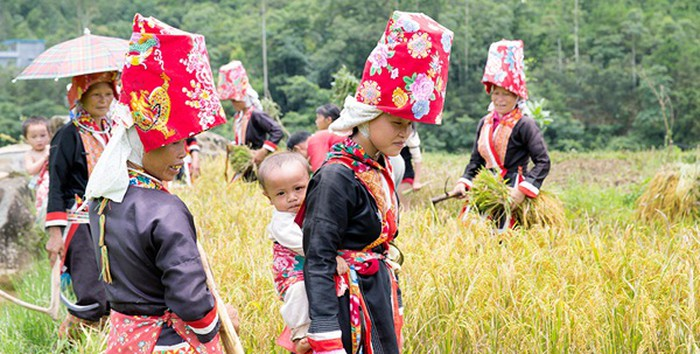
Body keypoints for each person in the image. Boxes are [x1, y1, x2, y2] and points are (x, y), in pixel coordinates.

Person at [299, 11, 453, 353]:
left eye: (410, 126)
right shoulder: (336, 176)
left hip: (375, 294)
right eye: (397, 123)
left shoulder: (383, 165)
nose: (406, 133)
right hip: (345, 307)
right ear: (369, 117)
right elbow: (318, 257)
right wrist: (326, 336)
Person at [85, 14, 232, 353]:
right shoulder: (165, 209)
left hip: (125, 340)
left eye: (187, 140)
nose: (184, 153)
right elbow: (191, 300)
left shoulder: (101, 198)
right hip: (168, 342)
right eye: (174, 141)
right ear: (141, 140)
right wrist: (217, 322)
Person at [45, 70, 119, 337]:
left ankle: (101, 343)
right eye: (96, 95)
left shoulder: (115, 132)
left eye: (108, 94)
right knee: (92, 296)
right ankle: (64, 344)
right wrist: (55, 235)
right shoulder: (68, 135)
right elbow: (57, 184)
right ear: (81, 97)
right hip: (81, 224)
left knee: (115, 295)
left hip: (113, 222)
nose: (103, 100)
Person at [450, 39, 551, 230]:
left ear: (516, 96)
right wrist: (464, 183)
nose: (500, 99)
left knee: (505, 235)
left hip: (513, 190)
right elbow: (476, 162)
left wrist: (522, 191)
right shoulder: (485, 122)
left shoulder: (525, 124)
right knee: (471, 231)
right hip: (487, 187)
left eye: (506, 94)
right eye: (496, 93)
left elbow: (543, 161)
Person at [258, 152, 348, 353]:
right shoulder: (282, 221)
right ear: (269, 198)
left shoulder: (313, 208)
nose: (292, 198)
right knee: (299, 292)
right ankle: (300, 334)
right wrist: (331, 256)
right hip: (292, 272)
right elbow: (304, 244)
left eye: (298, 189)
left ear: (312, 183)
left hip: (313, 266)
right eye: (281, 194)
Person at [217, 61, 283, 168]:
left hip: (259, 164)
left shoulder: (256, 115)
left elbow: (277, 131)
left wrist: (264, 150)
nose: (233, 104)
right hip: (246, 164)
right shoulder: (239, 117)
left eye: (235, 100)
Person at [23, 116, 51, 220]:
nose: (39, 140)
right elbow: (30, 170)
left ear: (49, 135)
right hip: (40, 186)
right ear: (26, 139)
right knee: (42, 207)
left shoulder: (51, 148)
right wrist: (44, 158)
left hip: (54, 183)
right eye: (34, 137)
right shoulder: (29, 154)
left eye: (43, 135)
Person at [306, 103, 346, 172]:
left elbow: (318, 167)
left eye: (318, 117)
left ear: (328, 120)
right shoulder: (348, 133)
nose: (316, 121)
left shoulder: (321, 136)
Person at [396, 129, 423, 204]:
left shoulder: (411, 134)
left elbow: (417, 159)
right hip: (389, 174)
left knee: (403, 207)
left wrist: (416, 181)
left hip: (405, 175)